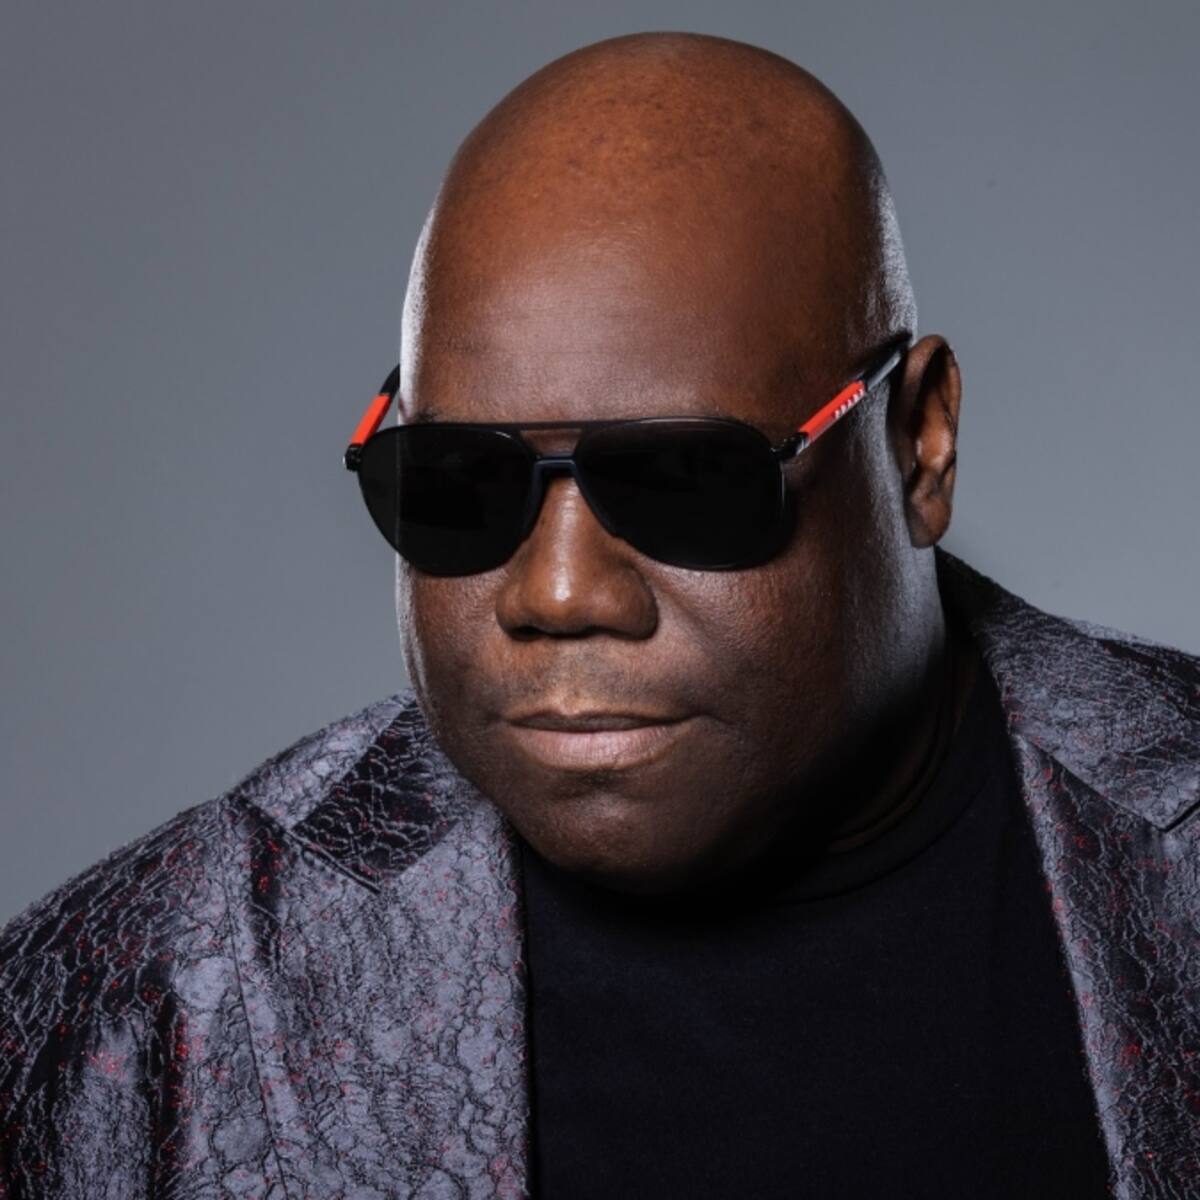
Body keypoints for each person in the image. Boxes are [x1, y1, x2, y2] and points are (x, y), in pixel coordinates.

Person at [1, 30, 1196, 1200]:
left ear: (918, 444)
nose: (557, 593)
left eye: (684, 480)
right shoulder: (134, 1009)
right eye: (463, 484)